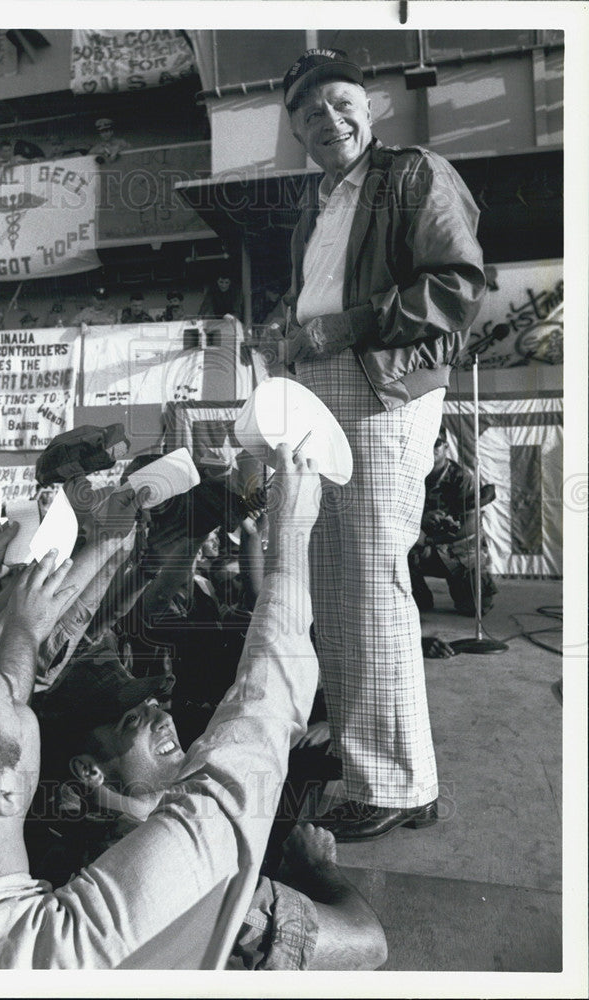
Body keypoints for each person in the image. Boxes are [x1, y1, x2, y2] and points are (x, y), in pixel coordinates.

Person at [0, 446, 346, 969]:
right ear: (4, 790)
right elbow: (258, 722)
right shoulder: (95, 939)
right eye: (7, 692)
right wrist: (291, 536)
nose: (16, 675)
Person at [274, 49, 486, 841]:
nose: (327, 120)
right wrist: (293, 329)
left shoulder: (411, 173)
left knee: (368, 578)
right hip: (326, 379)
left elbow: (457, 286)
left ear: (370, 107)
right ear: (296, 130)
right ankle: (374, 750)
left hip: (382, 387)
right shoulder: (318, 201)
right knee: (332, 581)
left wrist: (340, 326)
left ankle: (397, 782)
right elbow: (319, 297)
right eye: (309, 112)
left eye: (339, 103)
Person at [28, 654, 387, 972]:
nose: (163, 718)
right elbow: (367, 944)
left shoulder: (72, 843)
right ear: (89, 771)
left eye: (155, 704)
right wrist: (317, 866)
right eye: (133, 719)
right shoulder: (170, 863)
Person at [408, 426, 497, 617]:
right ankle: (418, 595)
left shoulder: (462, 478)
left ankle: (469, 585)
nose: (431, 449)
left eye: (437, 444)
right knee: (394, 550)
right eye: (426, 444)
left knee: (475, 608)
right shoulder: (411, 477)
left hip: (460, 553)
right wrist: (422, 519)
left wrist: (429, 539)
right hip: (425, 550)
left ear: (446, 446)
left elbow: (471, 526)